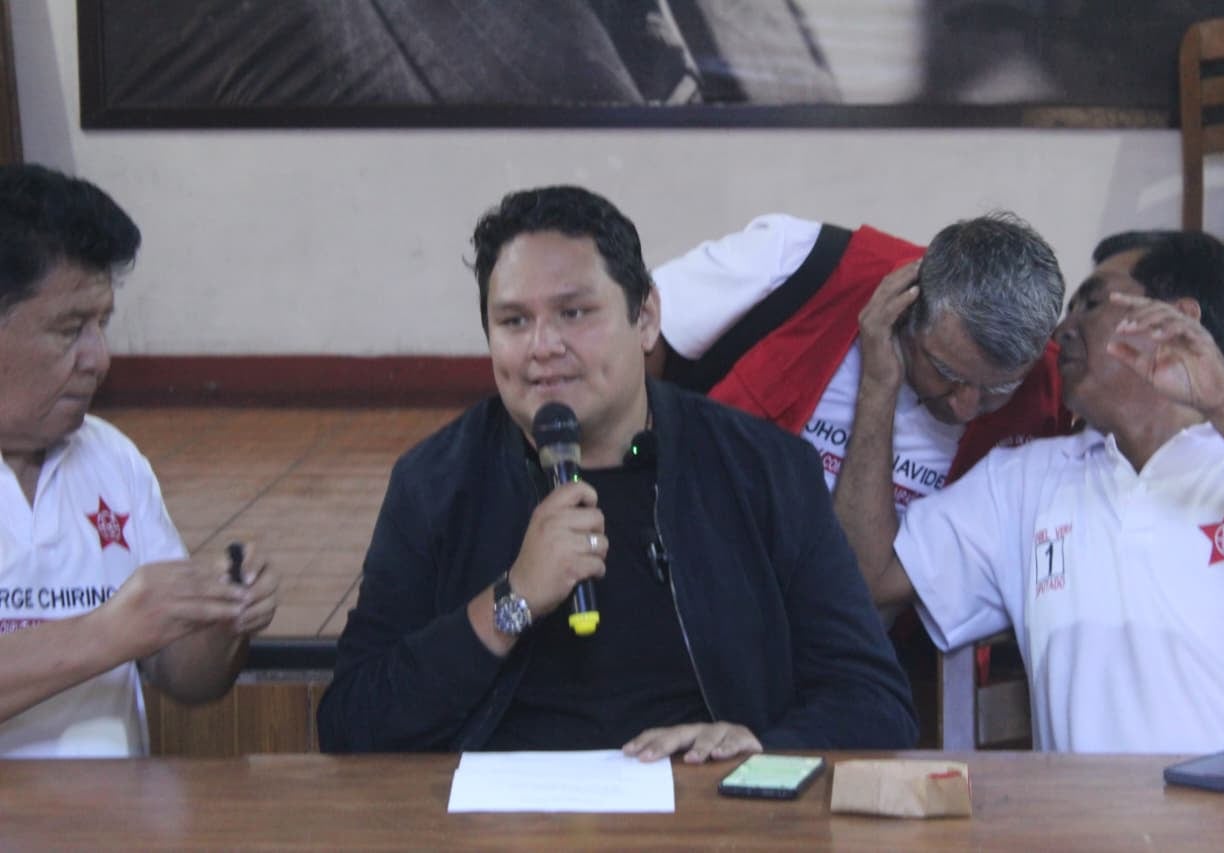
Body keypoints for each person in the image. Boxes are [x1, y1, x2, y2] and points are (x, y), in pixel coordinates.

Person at [317, 185, 917, 759]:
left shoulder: (764, 469)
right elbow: (352, 724)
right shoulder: (436, 483)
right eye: (514, 322)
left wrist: (759, 749)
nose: (543, 346)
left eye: (575, 312)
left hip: (708, 813)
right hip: (500, 825)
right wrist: (513, 601)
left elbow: (875, 703)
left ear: (647, 317)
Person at [864, 230, 1224, 753]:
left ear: (1176, 324)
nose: (1062, 329)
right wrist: (878, 384)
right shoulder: (1022, 483)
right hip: (1081, 829)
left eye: (1092, 302)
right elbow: (869, 577)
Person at [0, 163, 279, 757]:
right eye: (70, 329)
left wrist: (225, 620)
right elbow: (123, 631)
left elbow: (186, 679)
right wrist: (108, 631)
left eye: (102, 325)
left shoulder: (110, 457)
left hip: (113, 830)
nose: (99, 358)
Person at [650, 212, 1071, 577]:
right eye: (945, 372)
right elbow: (635, 339)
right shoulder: (800, 261)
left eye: (997, 389)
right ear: (909, 308)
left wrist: (878, 390)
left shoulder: (1051, 391)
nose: (964, 406)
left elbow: (858, 583)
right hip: (695, 562)